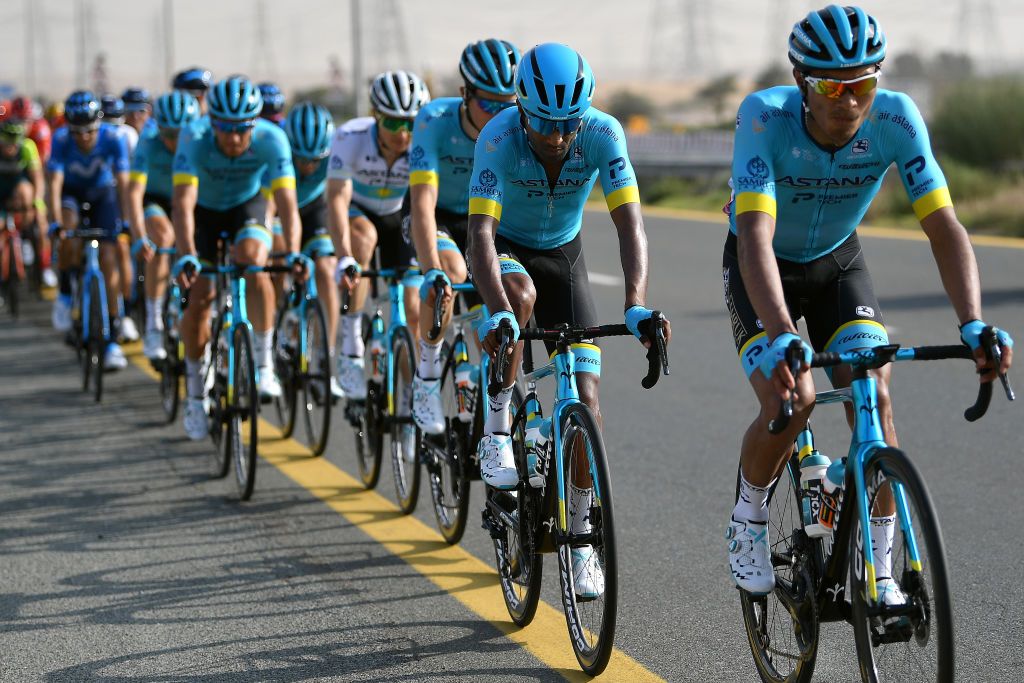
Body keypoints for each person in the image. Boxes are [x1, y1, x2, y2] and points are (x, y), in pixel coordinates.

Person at [722, 5, 1014, 600]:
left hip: (837, 264)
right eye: (831, 84)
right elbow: (753, 238)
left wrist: (974, 323)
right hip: (763, 263)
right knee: (793, 397)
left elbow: (944, 227)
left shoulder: (898, 119)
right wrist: (781, 331)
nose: (847, 100)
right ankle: (747, 517)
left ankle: (881, 568)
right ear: (802, 79)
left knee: (874, 397)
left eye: (862, 83)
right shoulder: (764, 118)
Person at [469, 43, 671, 598]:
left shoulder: (604, 133)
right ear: (521, 107)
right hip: (507, 250)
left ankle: (581, 539)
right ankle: (496, 422)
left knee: (586, 400)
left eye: (568, 126)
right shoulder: (498, 136)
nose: (558, 137)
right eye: (546, 125)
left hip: (566, 257)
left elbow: (630, 226)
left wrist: (635, 303)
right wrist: (499, 313)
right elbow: (480, 236)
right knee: (520, 296)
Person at [171, 76, 302, 440]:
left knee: (254, 262)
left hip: (248, 206)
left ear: (254, 124)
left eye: (241, 129)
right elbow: (182, 206)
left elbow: (288, 207)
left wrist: (291, 252)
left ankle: (263, 363)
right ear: (211, 123)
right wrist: (186, 257)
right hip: (205, 213)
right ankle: (196, 393)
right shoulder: (193, 138)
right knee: (199, 299)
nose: (232, 138)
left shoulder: (271, 139)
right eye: (224, 129)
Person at [408, 38, 520, 435]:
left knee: (496, 310)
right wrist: (430, 270)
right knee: (451, 271)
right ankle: (425, 376)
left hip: (486, 220)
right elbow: (421, 202)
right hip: (439, 216)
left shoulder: (513, 125)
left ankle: (490, 412)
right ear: (464, 94)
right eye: (489, 104)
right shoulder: (433, 120)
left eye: (508, 104)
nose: (499, 114)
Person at [327, 70, 430, 399]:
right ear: (375, 116)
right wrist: (343, 256)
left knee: (413, 309)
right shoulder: (350, 137)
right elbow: (336, 199)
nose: (404, 134)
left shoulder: (423, 144)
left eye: (411, 124)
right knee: (363, 241)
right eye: (394, 124)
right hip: (360, 209)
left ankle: (410, 400)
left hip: (398, 213)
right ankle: (351, 345)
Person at [48, 90, 132, 370]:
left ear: (100, 124)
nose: (84, 137)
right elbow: (54, 184)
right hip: (72, 194)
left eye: (90, 130)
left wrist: (127, 221)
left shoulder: (113, 138)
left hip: (102, 195)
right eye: (77, 131)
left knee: (109, 259)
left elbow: (123, 183)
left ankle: (112, 337)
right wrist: (55, 222)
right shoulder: (60, 139)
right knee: (69, 230)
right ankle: (64, 292)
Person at [127, 90, 201, 361]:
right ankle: (154, 322)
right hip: (157, 199)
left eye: (180, 135)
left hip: (192, 199)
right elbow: (133, 193)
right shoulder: (147, 142)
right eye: (167, 134)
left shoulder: (202, 141)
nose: (173, 142)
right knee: (163, 237)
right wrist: (138, 237)